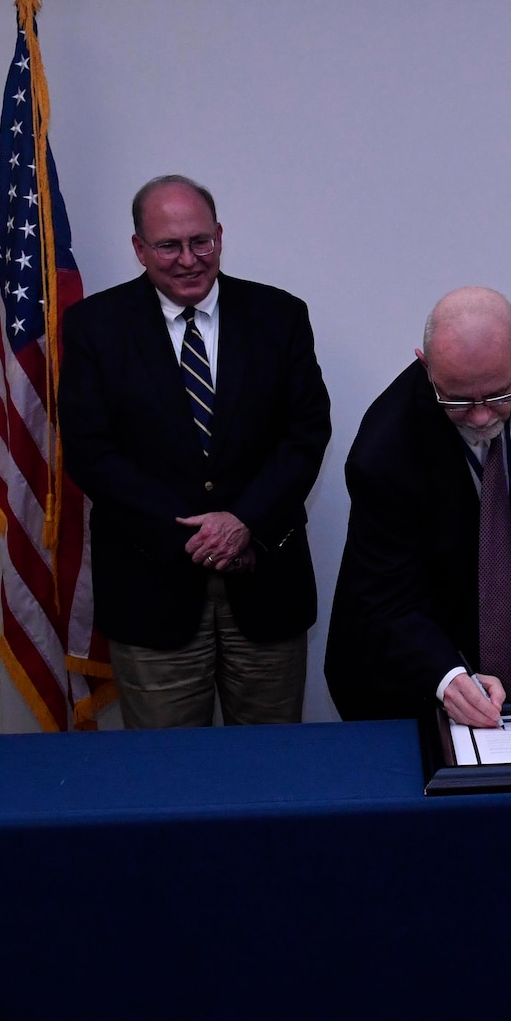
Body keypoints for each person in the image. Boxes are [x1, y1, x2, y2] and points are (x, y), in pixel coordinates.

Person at [60, 175, 331, 727]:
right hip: (151, 589)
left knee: (271, 771)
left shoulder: (280, 316)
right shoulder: (95, 327)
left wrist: (245, 523)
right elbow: (92, 454)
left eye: (200, 242)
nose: (188, 259)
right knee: (168, 779)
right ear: (138, 247)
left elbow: (305, 434)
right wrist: (196, 536)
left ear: (220, 236)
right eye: (168, 245)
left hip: (265, 584)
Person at [324, 288, 511, 725]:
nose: (481, 417)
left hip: (498, 624)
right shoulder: (383, 452)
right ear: (426, 367)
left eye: (498, 394)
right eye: (458, 400)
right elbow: (390, 600)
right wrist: (449, 676)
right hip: (404, 668)